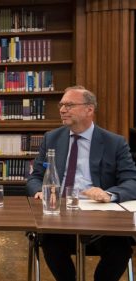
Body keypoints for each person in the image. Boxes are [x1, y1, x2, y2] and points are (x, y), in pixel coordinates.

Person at [27, 86, 136, 281]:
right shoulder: (51, 138)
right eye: (61, 105)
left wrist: (109, 194)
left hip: (101, 216)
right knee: (51, 245)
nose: (62, 109)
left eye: (69, 105)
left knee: (120, 250)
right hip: (60, 214)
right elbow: (35, 177)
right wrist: (39, 191)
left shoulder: (115, 143)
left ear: (89, 109)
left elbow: (132, 181)